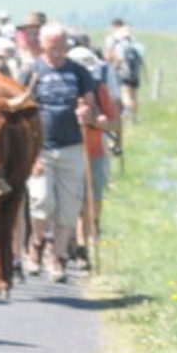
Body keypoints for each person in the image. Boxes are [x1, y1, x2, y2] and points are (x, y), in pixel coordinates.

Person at [23, 22, 105, 282]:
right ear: (42, 45)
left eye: (61, 46)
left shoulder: (79, 72)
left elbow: (91, 108)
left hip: (72, 147)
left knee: (69, 209)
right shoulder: (32, 71)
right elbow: (21, 112)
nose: (57, 51)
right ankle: (36, 243)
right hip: (41, 148)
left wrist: (86, 114)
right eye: (52, 46)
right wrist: (30, 153)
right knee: (41, 202)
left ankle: (56, 258)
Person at [67, 45, 123, 269]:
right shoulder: (62, 91)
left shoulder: (99, 91)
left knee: (92, 200)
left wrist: (96, 123)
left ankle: (83, 244)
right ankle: (76, 243)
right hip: (69, 152)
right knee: (71, 202)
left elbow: (116, 123)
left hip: (94, 151)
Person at [105, 18, 145, 122]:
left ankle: (127, 115)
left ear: (114, 26)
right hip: (135, 70)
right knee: (134, 94)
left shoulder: (113, 38)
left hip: (123, 69)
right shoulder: (131, 38)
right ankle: (134, 118)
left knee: (125, 94)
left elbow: (110, 55)